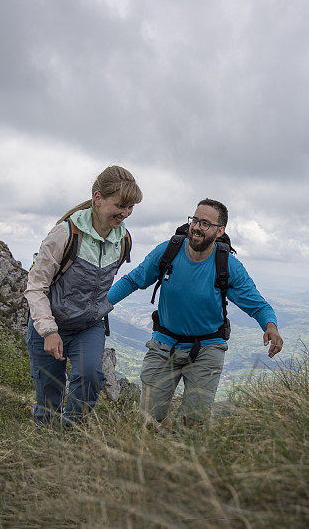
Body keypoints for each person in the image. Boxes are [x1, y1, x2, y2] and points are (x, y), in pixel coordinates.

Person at [108, 198, 283, 426]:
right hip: (164, 344)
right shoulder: (169, 251)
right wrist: (99, 306)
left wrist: (270, 326)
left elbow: (258, 305)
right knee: (147, 420)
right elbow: (133, 280)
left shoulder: (228, 265)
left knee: (193, 424)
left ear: (220, 231)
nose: (197, 227)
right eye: (195, 220)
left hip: (207, 348)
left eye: (205, 223)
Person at [24, 166, 142, 426]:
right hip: (51, 325)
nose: (125, 213)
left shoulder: (123, 240)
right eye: (121, 205)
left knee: (91, 377)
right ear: (98, 198)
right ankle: (45, 452)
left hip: (89, 326)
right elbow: (36, 285)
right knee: (49, 400)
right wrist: (48, 330)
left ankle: (72, 435)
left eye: (131, 207)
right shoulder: (65, 234)